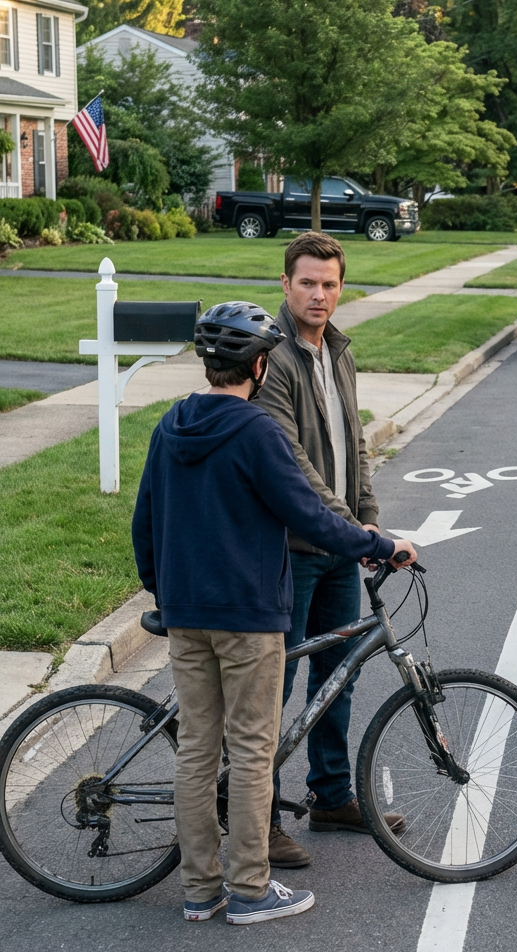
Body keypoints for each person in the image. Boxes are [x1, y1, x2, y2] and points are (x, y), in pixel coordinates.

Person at [132, 301, 416, 925]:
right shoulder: (256, 431)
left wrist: (163, 593)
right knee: (252, 752)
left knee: (197, 752)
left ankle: (201, 890)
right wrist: (377, 543)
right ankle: (251, 889)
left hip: (187, 616)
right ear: (259, 366)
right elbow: (308, 514)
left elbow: (144, 521)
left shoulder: (171, 423)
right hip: (248, 615)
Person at [256, 231, 397, 869]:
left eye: (329, 284)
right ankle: (257, 819)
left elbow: (353, 444)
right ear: (285, 284)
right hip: (291, 549)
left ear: (341, 288)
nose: (319, 294)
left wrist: (367, 520)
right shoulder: (273, 359)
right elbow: (293, 467)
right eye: (308, 283)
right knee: (273, 688)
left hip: (339, 547)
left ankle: (332, 796)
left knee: (339, 675)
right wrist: (358, 534)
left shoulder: (338, 350)